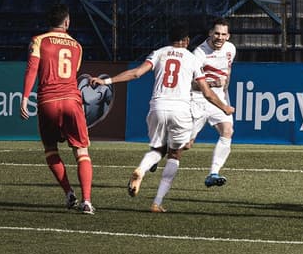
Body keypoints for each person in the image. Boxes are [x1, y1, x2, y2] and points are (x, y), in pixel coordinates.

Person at [91, 23, 234, 212]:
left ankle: (141, 170)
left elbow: (135, 73)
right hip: (181, 110)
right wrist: (224, 106)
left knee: (158, 149)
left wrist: (106, 80)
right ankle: (157, 202)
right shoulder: (192, 58)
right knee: (175, 154)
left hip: (157, 107)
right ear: (187, 41)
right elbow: (207, 92)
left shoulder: (158, 53)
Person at [19, 3, 96, 214]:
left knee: (51, 150)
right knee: (81, 151)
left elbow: (32, 68)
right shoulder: (77, 46)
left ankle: (69, 193)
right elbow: (72, 73)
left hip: (47, 101)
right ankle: (87, 201)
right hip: (71, 100)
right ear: (67, 22)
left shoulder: (39, 41)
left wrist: (25, 98)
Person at [189, 17, 237, 188]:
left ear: (228, 36)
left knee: (227, 130)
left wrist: (224, 92)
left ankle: (213, 173)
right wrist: (212, 84)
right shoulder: (199, 54)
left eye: (223, 34)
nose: (220, 37)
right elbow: (190, 83)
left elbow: (228, 71)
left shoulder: (231, 48)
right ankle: (160, 151)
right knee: (187, 144)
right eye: (216, 33)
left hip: (218, 99)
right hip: (199, 98)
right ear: (210, 33)